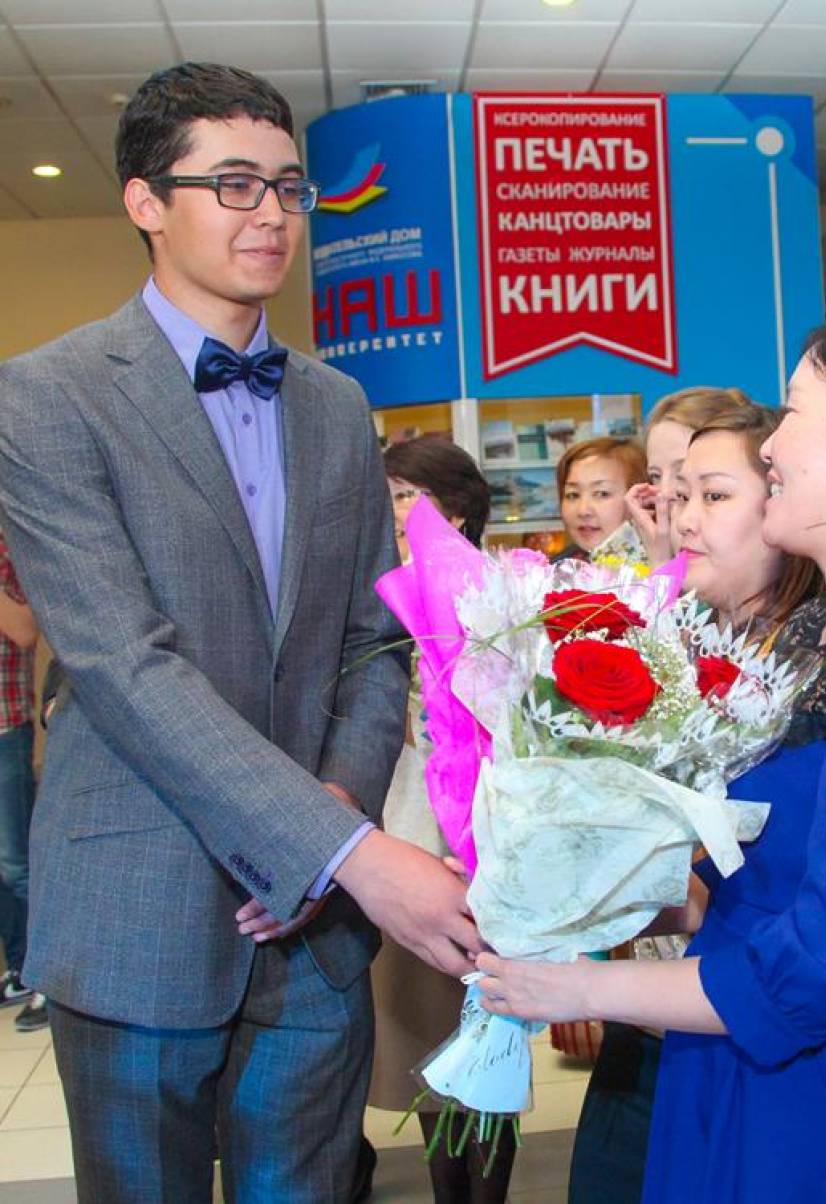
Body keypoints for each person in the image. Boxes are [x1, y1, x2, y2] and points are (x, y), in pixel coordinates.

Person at [0, 62, 482, 1204]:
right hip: (140, 903)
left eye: (287, 186)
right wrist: (345, 850)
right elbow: (123, 666)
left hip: (313, 936)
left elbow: (374, 639)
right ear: (144, 201)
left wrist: (333, 812)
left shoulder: (337, 404)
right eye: (231, 184)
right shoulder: (45, 397)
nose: (270, 213)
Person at [476, 306, 826, 1202]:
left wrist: (575, 990)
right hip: (733, 1068)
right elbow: (755, 884)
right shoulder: (809, 635)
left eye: (793, 412)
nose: (772, 447)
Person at [567, 404, 817, 1204]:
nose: (678, 519)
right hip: (660, 1013)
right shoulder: (678, 641)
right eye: (667, 494)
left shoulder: (819, 664)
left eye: (707, 493)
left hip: (755, 1016)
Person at [369, 435, 516, 1202]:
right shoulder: (379, 600)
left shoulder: (498, 603)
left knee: (492, 1049)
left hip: (484, 852)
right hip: (402, 851)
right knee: (428, 1052)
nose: (390, 510)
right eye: (386, 495)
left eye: (404, 495)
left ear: (454, 511)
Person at [0, 526, 46, 1033]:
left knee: (18, 865)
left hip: (5, 726)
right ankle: (19, 971)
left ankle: (46, 980)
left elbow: (26, 630)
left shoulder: (10, 546)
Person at [625, 387, 752, 567]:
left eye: (681, 472)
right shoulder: (628, 557)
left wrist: (663, 565)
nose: (665, 491)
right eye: (655, 476)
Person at [555, 436, 646, 560]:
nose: (583, 511)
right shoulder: (555, 567)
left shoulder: (662, 566)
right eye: (573, 495)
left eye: (602, 494)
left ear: (640, 498)